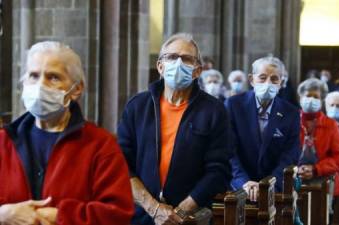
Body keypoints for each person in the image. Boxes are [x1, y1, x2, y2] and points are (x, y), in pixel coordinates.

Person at [0, 41, 134, 225]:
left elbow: (117, 214)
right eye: (34, 75)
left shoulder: (100, 145)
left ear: (76, 89)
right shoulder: (4, 141)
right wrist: (3, 215)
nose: (41, 85)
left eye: (53, 77)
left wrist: (59, 217)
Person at [118, 33, 232, 225]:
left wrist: (180, 212)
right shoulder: (138, 107)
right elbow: (121, 165)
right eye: (171, 57)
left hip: (191, 218)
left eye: (186, 59)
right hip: (142, 216)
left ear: (197, 71)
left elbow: (218, 170)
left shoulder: (214, 110)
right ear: (160, 67)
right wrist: (154, 209)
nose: (178, 63)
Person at [226, 56, 301, 201]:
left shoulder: (291, 113)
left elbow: (290, 155)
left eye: (274, 79)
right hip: (237, 187)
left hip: (274, 189)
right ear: (251, 80)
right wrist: (243, 182)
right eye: (262, 78)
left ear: (282, 82)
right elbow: (228, 150)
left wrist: (268, 184)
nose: (268, 83)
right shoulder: (233, 105)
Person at [297, 78, 339, 221]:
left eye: (316, 97)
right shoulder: (291, 121)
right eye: (308, 96)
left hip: (323, 182)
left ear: (322, 100)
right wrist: (295, 169)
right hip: (294, 179)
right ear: (300, 97)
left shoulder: (331, 125)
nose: (311, 99)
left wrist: (316, 169)